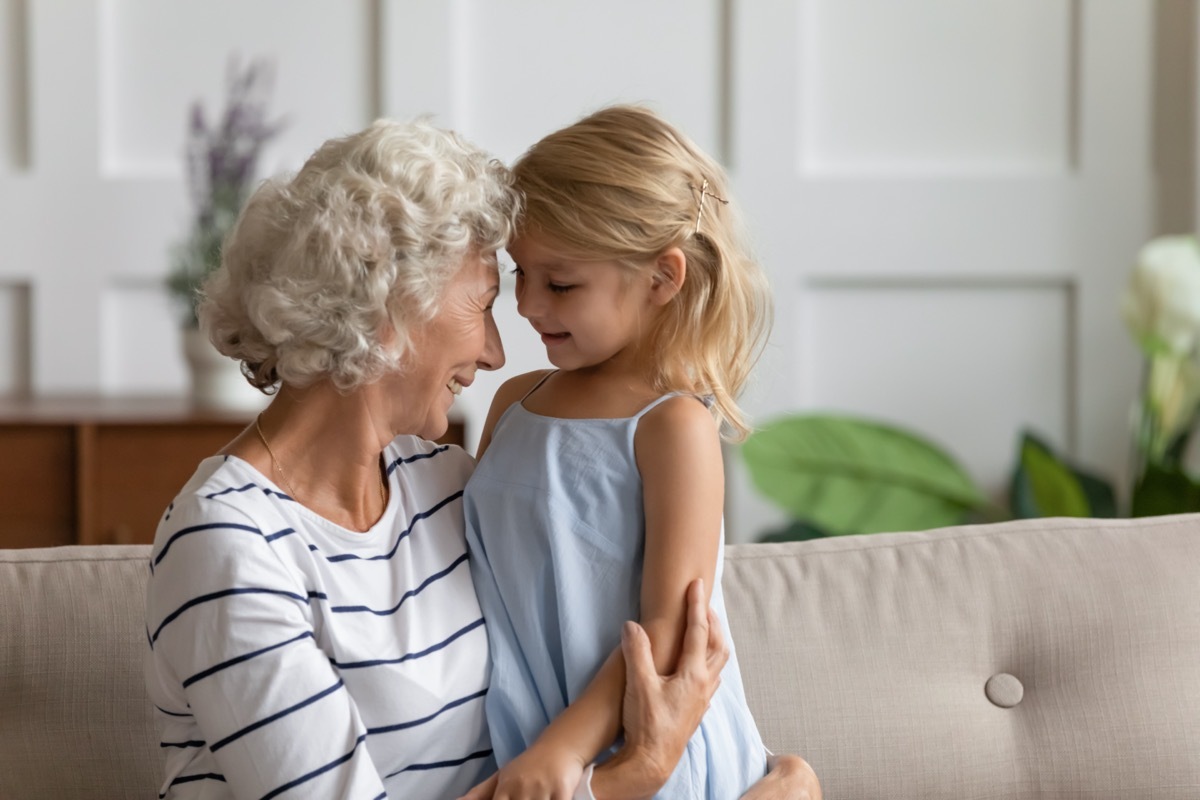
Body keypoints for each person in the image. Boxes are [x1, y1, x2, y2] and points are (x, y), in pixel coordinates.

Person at [143, 117, 820, 799]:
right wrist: (629, 776)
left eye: (551, 285)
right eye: (491, 299)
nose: (500, 351)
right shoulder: (228, 543)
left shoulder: (440, 487)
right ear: (394, 307)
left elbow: (637, 617)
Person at [463, 105, 774, 799]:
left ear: (663, 278)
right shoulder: (512, 403)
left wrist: (564, 749)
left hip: (642, 749)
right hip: (529, 745)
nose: (526, 304)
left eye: (560, 283)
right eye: (520, 274)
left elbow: (670, 629)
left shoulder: (672, 428)